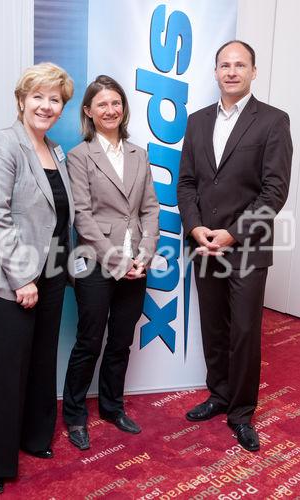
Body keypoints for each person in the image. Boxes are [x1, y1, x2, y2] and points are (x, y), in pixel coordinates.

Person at [177, 40, 292, 452]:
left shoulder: (274, 121)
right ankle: (219, 394)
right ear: (215, 72)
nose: (231, 71)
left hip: (245, 247)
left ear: (253, 72)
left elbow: (274, 192)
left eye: (239, 65)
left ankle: (241, 412)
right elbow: (187, 183)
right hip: (205, 244)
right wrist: (196, 230)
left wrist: (232, 233)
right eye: (224, 65)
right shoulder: (197, 121)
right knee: (215, 328)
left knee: (244, 331)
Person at [0, 62, 75, 493]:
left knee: (41, 360)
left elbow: (57, 214)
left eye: (55, 99)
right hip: (11, 276)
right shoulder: (2, 145)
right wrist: (21, 279)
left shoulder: (55, 150)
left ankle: (34, 437)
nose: (46, 106)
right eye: (39, 97)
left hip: (49, 273)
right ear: (21, 100)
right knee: (8, 368)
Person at [63, 75, 159, 450]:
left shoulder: (139, 154)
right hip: (96, 263)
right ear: (88, 111)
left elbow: (150, 209)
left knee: (121, 340)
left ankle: (111, 406)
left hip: (136, 262)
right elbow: (82, 217)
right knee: (89, 340)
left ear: (124, 108)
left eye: (115, 103)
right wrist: (119, 260)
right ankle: (74, 415)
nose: (110, 110)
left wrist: (144, 255)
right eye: (101, 104)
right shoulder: (78, 156)